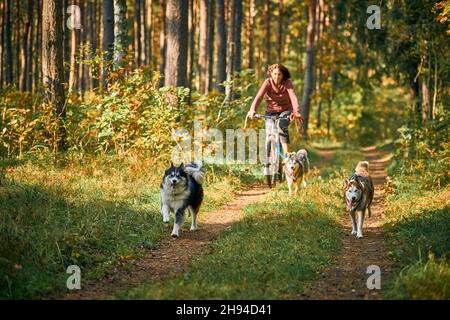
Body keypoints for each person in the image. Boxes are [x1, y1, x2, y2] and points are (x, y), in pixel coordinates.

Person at [247, 63, 304, 158]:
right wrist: (252, 110)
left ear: (283, 75)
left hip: (286, 111)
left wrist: (296, 111)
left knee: (281, 126)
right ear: (271, 74)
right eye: (275, 74)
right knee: (269, 132)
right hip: (270, 112)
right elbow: (259, 97)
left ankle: (286, 156)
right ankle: (268, 160)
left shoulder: (287, 83)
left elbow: (293, 97)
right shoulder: (267, 82)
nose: (277, 76)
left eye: (279, 74)